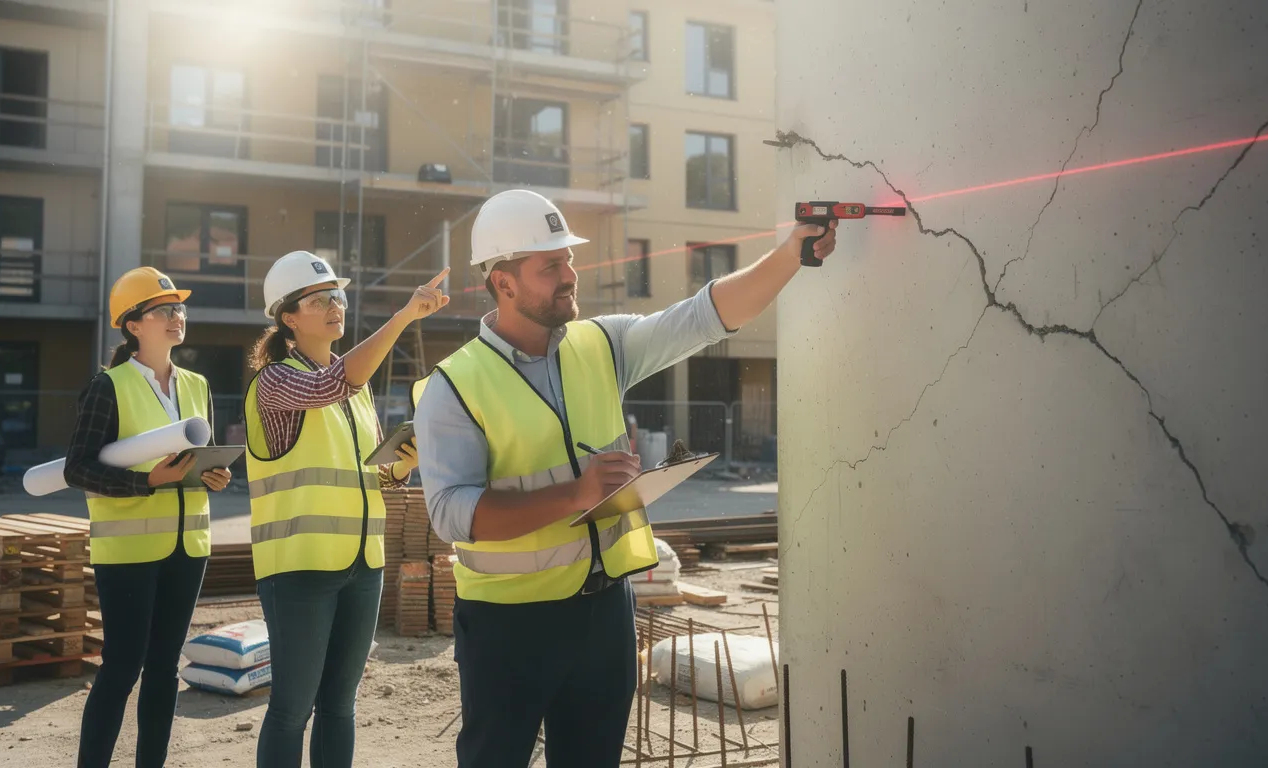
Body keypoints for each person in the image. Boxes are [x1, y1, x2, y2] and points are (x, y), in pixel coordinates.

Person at [411, 189, 837, 767]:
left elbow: (702, 316)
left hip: (605, 613)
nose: (570, 275)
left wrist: (791, 254)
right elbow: (451, 513)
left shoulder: (601, 344)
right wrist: (576, 494)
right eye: (551, 265)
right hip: (508, 628)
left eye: (568, 259)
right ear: (503, 282)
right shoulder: (454, 385)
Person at [242, 250, 448, 768]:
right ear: (289, 317)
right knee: (291, 709)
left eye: (338, 295)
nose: (336, 305)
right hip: (299, 567)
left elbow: (372, 475)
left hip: (363, 565)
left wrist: (404, 462)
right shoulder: (274, 381)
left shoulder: (358, 387)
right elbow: (329, 386)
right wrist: (404, 316)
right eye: (320, 299)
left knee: (339, 705)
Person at [65, 266, 233, 768]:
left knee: (163, 670)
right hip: (129, 553)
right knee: (121, 668)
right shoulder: (108, 386)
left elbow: (188, 463)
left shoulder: (198, 384)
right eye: (164, 310)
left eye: (179, 308)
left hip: (189, 549)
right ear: (133, 324)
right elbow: (78, 468)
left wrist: (212, 476)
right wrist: (146, 482)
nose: (176, 316)